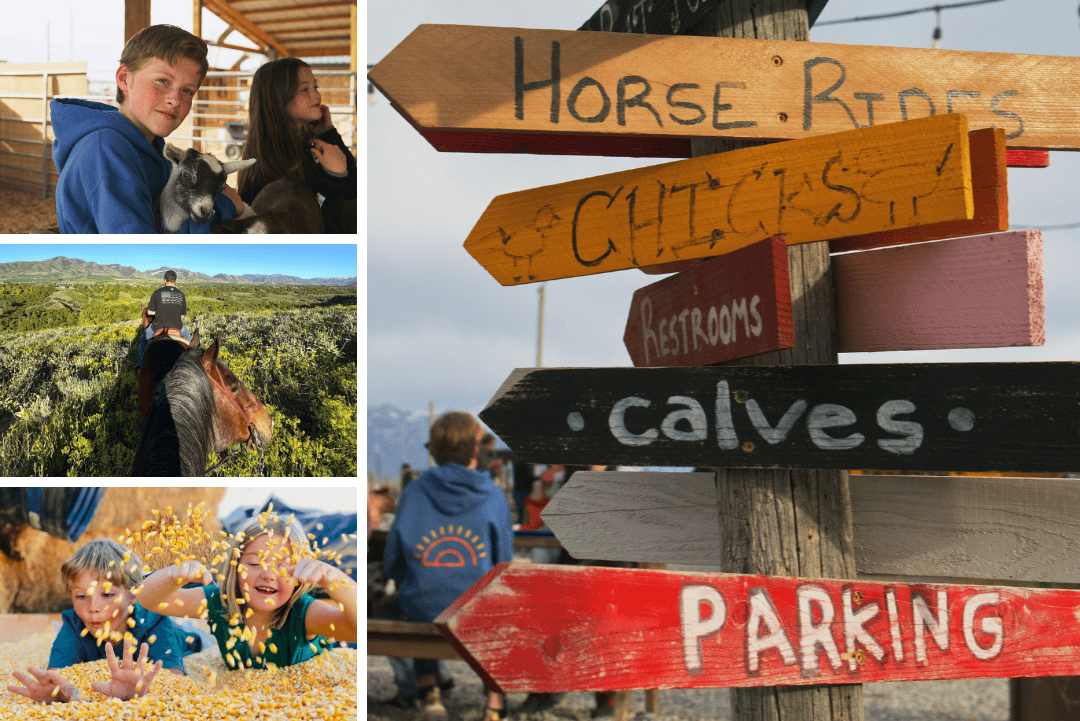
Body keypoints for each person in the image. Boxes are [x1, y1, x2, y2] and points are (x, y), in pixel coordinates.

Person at [50, 24, 247, 233]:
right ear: (125, 79)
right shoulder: (106, 149)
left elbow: (162, 220)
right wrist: (224, 206)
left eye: (187, 91)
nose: (175, 100)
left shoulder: (151, 149)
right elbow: (139, 252)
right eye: (162, 81)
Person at [383, 411, 514, 721]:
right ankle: (493, 704)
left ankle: (429, 692)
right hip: (477, 610)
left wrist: (418, 578)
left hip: (424, 607)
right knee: (506, 610)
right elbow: (504, 564)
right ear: (475, 450)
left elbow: (393, 563)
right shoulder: (493, 496)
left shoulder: (413, 490)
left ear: (434, 450)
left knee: (401, 603)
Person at [135, 513, 357, 671]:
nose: (269, 574)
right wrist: (172, 577)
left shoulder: (303, 614)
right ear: (234, 569)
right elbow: (148, 600)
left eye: (282, 566)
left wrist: (336, 580)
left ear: (299, 577)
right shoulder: (217, 603)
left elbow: (358, 631)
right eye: (253, 564)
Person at [6, 538, 189, 704]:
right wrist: (57, 693)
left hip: (189, 637)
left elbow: (174, 677)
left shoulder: (155, 622)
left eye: (107, 594)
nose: (93, 606)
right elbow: (58, 676)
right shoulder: (74, 624)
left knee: (186, 632)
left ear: (133, 595)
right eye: (81, 595)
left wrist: (142, 690)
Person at [235, 57, 357, 233]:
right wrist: (334, 178)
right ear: (278, 98)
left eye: (316, 87)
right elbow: (318, 230)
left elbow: (353, 190)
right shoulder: (270, 170)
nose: (316, 95)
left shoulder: (307, 147)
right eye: (305, 89)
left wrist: (327, 132)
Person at [136, 269, 190, 371]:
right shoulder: (181, 294)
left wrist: (160, 311)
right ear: (176, 280)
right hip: (178, 326)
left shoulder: (157, 292)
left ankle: (140, 365)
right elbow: (182, 316)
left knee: (143, 339)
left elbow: (150, 312)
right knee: (190, 340)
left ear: (165, 280)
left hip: (158, 326)